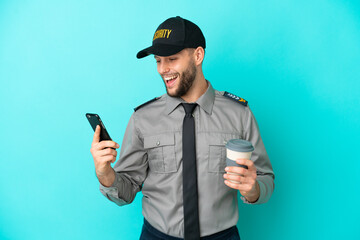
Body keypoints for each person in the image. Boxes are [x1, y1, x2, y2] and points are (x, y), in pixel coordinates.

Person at [90, 16, 275, 240]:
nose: (162, 69)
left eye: (171, 59)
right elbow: (125, 190)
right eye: (158, 60)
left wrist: (252, 189)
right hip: (157, 236)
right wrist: (105, 173)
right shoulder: (143, 118)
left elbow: (265, 178)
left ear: (198, 55)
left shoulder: (239, 114)